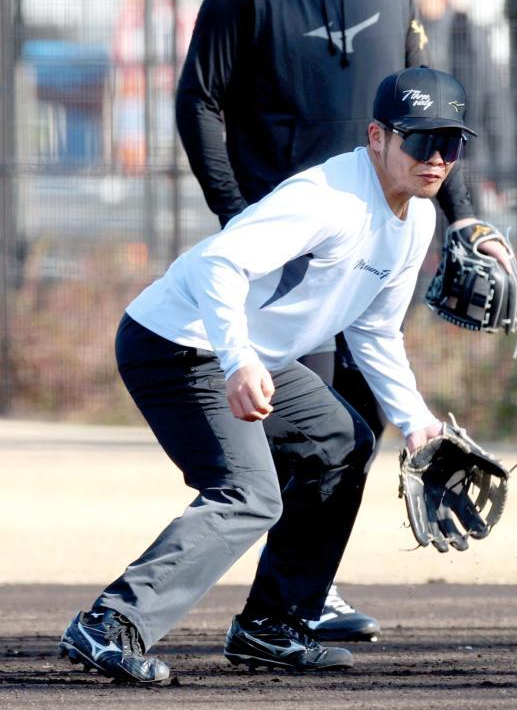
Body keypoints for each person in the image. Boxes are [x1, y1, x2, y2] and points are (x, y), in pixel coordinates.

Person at [175, 0, 505, 641]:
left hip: (379, 243)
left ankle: (302, 594)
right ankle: (277, 603)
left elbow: (428, 111)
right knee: (312, 437)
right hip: (293, 255)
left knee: (357, 430)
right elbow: (199, 106)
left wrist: (462, 213)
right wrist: (238, 216)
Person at [59, 66, 477, 684]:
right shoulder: (327, 198)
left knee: (342, 441)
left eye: (452, 143)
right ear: (377, 137)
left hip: (251, 354)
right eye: (421, 140)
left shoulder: (415, 219)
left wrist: (416, 424)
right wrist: (238, 360)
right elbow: (221, 264)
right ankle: (112, 623)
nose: (436, 157)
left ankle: (271, 626)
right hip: (177, 343)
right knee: (250, 492)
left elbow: (374, 331)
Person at [398, 0, 516, 206]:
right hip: (415, 166)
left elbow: (495, 102)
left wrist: (502, 174)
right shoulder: (405, 31)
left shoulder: (469, 33)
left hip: (465, 167)